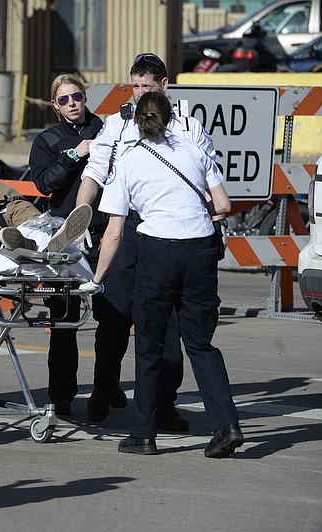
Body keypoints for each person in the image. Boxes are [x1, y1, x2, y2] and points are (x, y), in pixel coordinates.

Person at [82, 90, 243, 458]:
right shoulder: (193, 149)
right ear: (170, 118)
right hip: (201, 249)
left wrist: (97, 279)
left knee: (150, 344)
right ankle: (226, 426)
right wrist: (197, 217)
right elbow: (223, 204)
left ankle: (143, 434)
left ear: (136, 121)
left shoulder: (129, 160)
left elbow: (115, 232)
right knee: (201, 343)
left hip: (158, 250)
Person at [75, 52, 217, 429]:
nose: (139, 94)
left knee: (167, 325)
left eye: (147, 87)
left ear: (164, 86)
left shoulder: (188, 126)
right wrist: (79, 216)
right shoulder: (116, 124)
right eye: (135, 86)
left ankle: (164, 407)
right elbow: (95, 170)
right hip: (126, 225)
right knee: (114, 317)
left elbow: (208, 177)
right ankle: (103, 391)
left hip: (167, 230)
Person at [28, 74, 105, 416]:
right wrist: (75, 154)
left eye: (77, 96)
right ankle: (61, 394)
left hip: (104, 231)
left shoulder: (106, 129)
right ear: (55, 104)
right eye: (64, 100)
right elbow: (44, 184)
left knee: (112, 316)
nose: (72, 103)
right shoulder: (47, 140)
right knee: (63, 319)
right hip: (65, 235)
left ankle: (108, 386)